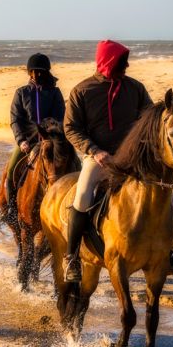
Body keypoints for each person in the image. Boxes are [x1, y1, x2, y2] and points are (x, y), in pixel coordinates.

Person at [62, 40, 153, 283]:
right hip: (98, 159)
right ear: (109, 62)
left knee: (166, 196)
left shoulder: (136, 88)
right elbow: (70, 128)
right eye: (122, 62)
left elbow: (149, 120)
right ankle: (71, 258)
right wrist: (94, 149)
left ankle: (168, 254)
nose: (127, 66)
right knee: (82, 196)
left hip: (131, 160)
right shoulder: (82, 91)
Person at [4, 53, 66, 203]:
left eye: (41, 71)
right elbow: (15, 119)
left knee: (77, 165)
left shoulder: (54, 93)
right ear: (29, 72)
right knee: (11, 170)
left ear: (47, 72)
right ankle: (11, 208)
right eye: (34, 71)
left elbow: (59, 117)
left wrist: (51, 136)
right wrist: (21, 141)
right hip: (28, 142)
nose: (37, 74)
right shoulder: (21, 93)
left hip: (51, 141)